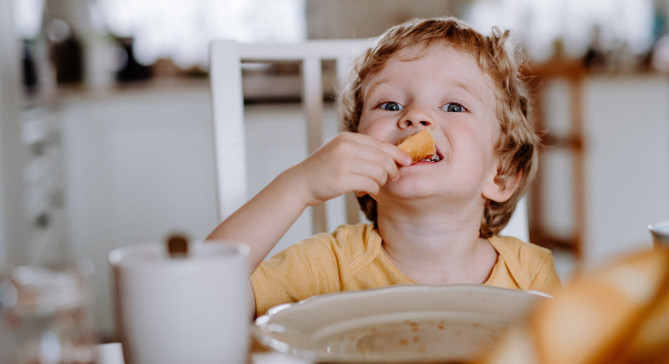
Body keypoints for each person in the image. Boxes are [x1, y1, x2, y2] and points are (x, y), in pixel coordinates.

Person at [207, 17, 561, 316]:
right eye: (389, 104)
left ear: (499, 175)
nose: (415, 115)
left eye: (454, 106)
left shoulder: (529, 275)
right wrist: (297, 188)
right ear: (357, 163)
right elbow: (201, 295)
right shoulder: (332, 267)